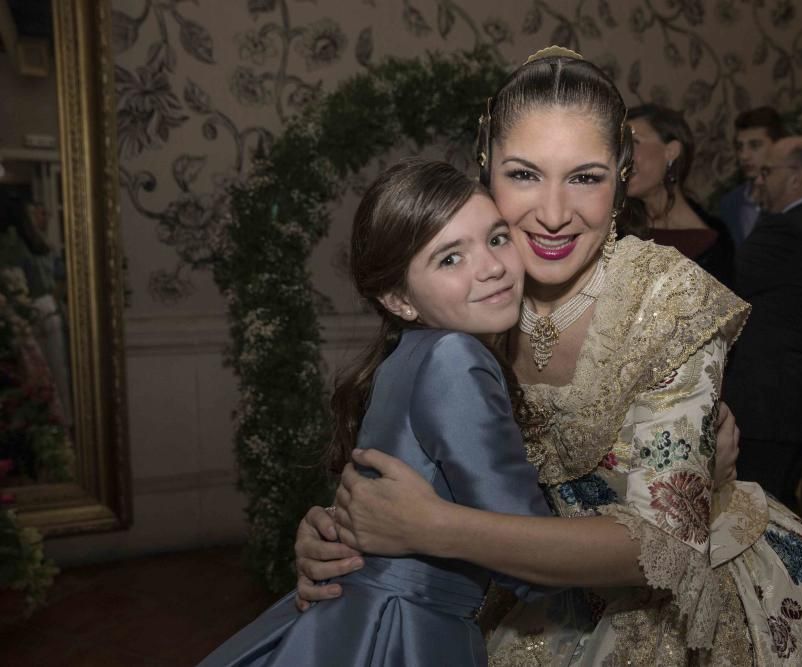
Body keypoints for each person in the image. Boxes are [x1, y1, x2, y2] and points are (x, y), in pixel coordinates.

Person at [296, 48, 802, 665]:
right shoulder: (472, 290)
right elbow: (413, 446)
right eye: (525, 175)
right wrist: (339, 533)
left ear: (622, 178)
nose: (555, 214)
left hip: (670, 604)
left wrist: (430, 528)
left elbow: (664, 549)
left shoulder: (668, 300)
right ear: (486, 173)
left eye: (585, 177)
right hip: (509, 590)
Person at [198, 159, 555, 666]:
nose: (491, 266)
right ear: (399, 299)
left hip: (349, 615)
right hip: (401, 631)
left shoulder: (405, 356)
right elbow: (530, 559)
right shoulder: (456, 357)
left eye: (497, 238)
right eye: (450, 258)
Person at [722, 136, 802, 510]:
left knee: (748, 521)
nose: (759, 181)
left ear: (796, 177)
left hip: (765, 405)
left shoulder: (785, 228)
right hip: (795, 401)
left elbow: (721, 287)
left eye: (767, 171)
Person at [618, 104, 734, 285]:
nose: (622, 155)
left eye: (633, 142)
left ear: (671, 151)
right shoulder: (615, 229)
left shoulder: (715, 242)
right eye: (620, 145)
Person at [718, 107, 787, 247]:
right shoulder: (729, 203)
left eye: (755, 145)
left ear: (778, 147)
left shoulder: (791, 201)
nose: (744, 155)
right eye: (739, 147)